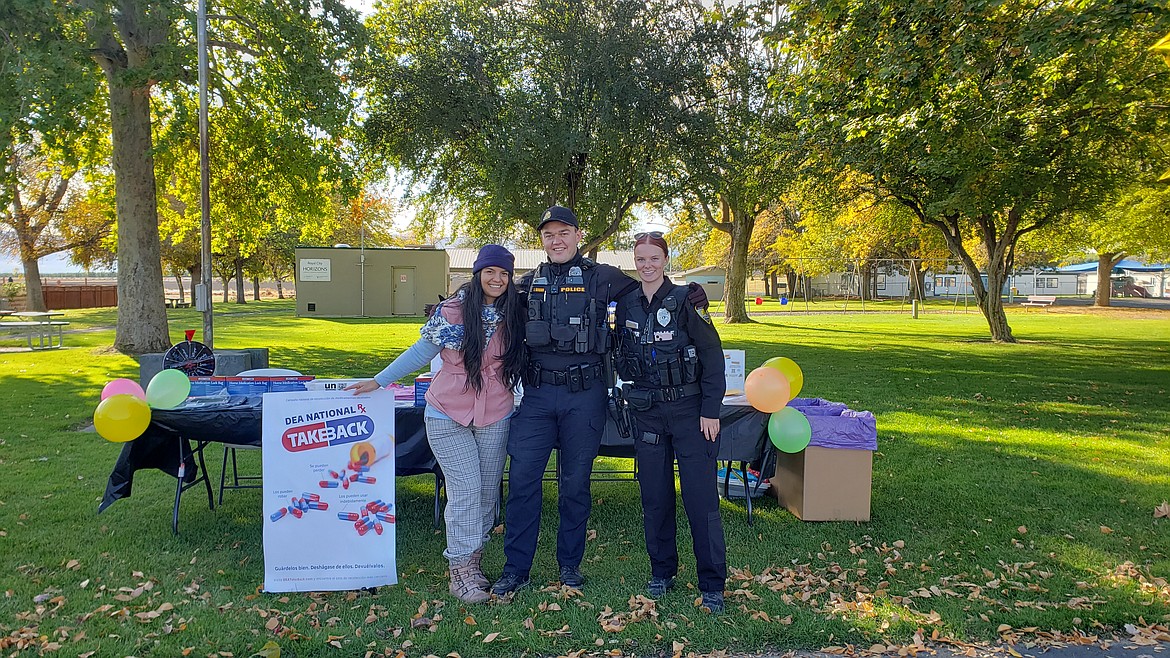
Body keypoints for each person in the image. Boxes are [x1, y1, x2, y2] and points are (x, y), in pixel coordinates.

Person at [491, 206, 707, 596]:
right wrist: (450, 303)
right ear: (542, 240)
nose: (556, 241)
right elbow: (487, 290)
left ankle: (569, 567)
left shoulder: (604, 277)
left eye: (563, 233)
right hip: (537, 396)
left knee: (575, 485)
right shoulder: (527, 282)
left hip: (585, 396)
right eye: (548, 235)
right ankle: (516, 569)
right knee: (523, 482)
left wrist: (688, 292)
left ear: (577, 235)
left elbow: (650, 285)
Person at [346, 244, 525, 604]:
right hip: (448, 413)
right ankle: (458, 570)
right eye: (490, 272)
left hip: (496, 414)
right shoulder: (454, 311)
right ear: (477, 274)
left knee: (488, 495)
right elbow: (419, 352)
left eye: (504, 273)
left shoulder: (516, 312)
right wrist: (378, 381)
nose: (497, 279)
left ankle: (473, 563)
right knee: (465, 491)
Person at [613, 231, 727, 614]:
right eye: (641, 259)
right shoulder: (626, 304)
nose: (647, 265)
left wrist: (711, 409)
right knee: (655, 497)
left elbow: (712, 356)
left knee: (700, 500)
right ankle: (662, 571)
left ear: (666, 260)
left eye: (654, 258)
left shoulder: (685, 300)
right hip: (647, 413)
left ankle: (712, 582)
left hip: (690, 413)